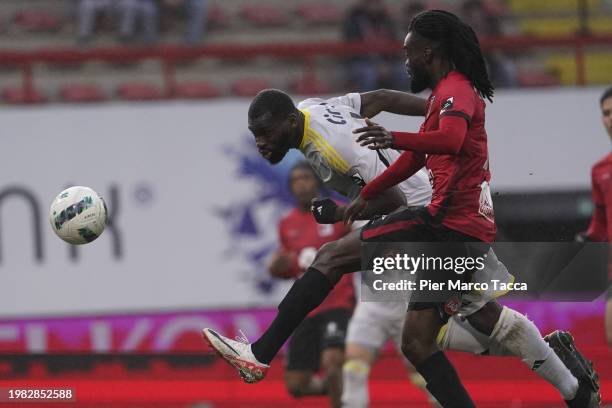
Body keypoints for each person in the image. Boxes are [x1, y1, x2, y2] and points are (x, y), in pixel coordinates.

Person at [203, 85, 600, 407]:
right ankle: (571, 385)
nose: (260, 143)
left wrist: (343, 211)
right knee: (439, 334)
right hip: (433, 213)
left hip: (436, 220)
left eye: (266, 134)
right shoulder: (312, 109)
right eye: (256, 136)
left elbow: (393, 201)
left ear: (289, 122)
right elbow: (377, 99)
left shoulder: (333, 150)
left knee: (332, 258)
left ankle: (259, 354)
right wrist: (433, 110)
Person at [343, 10, 598, 407]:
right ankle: (570, 384)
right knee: (478, 317)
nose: (405, 61)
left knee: (418, 338)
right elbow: (416, 158)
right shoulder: (440, 97)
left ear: (429, 53)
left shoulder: (456, 91)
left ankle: (568, 381)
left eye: (409, 53)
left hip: (453, 227)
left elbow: (450, 139)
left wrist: (392, 134)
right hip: (457, 226)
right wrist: (370, 192)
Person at [269, 161, 355, 407]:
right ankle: (341, 390)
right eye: (295, 180)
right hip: (305, 309)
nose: (301, 184)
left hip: (338, 304)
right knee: (296, 385)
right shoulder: (286, 224)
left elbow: (361, 250)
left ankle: (341, 393)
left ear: (317, 181)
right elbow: (293, 268)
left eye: (306, 177)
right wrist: (278, 269)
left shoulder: (338, 213)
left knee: (332, 363)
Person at [579, 87, 612, 347]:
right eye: (606, 113)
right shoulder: (600, 170)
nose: (610, 118)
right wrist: (586, 239)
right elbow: (601, 225)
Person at [342, 0, 406, 92]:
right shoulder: (353, 21)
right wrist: (377, 65)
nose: (375, 6)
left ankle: (403, 103)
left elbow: (394, 43)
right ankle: (366, 103)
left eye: (377, 3)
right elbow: (353, 48)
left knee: (402, 72)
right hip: (363, 61)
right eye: (371, 3)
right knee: (369, 74)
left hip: (388, 61)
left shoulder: (387, 20)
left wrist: (386, 63)